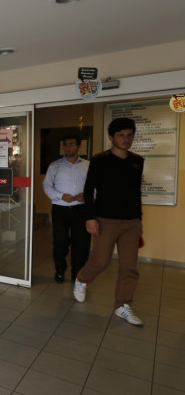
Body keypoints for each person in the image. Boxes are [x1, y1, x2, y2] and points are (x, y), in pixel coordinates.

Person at [73, 117, 145, 326]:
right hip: (105, 219)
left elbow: (135, 193)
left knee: (129, 266)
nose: (126, 139)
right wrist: (89, 217)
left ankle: (122, 305)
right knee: (101, 260)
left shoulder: (137, 161)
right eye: (121, 135)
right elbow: (89, 189)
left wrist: (139, 221)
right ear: (111, 137)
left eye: (129, 135)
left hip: (131, 222)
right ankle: (82, 279)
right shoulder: (100, 160)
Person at [42, 134, 90, 283]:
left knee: (80, 244)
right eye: (65, 144)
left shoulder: (88, 165)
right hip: (60, 209)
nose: (67, 147)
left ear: (79, 146)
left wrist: (87, 195)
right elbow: (47, 186)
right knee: (60, 242)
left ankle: (77, 274)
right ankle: (60, 270)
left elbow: (96, 186)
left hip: (80, 210)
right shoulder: (54, 166)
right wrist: (60, 196)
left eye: (71, 144)